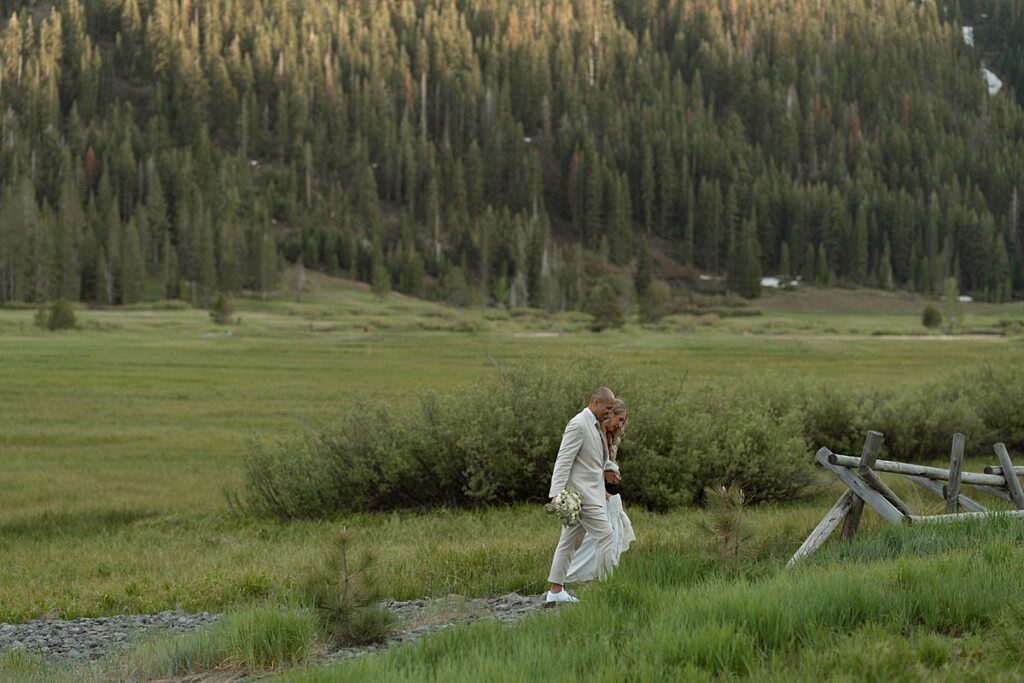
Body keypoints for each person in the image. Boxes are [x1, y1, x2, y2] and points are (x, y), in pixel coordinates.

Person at [545, 387, 621, 605]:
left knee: (568, 542)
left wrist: (610, 468)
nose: (609, 412)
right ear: (596, 402)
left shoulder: (595, 426)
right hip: (583, 496)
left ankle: (556, 591)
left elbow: (594, 458)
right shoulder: (578, 424)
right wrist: (557, 494)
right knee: (606, 534)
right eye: (607, 408)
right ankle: (609, 588)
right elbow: (563, 460)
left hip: (587, 495)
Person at [564, 399, 634, 584]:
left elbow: (601, 466)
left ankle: (602, 576)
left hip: (600, 490)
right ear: (609, 414)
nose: (620, 425)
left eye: (623, 421)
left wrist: (609, 474)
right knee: (593, 536)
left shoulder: (609, 437)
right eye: (619, 419)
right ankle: (577, 577)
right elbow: (587, 466)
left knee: (609, 532)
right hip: (588, 491)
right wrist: (602, 486)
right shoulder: (592, 432)